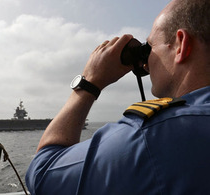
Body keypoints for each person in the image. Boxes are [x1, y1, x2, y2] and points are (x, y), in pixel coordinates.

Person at [26, 0, 210, 194]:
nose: (145, 65)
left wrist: (89, 83)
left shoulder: (152, 137)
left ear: (181, 45)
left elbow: (42, 175)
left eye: (149, 48)